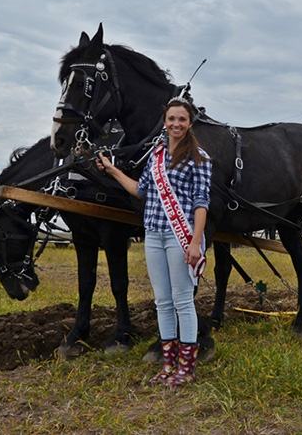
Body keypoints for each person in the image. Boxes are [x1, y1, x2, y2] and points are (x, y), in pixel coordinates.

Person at [96, 97, 212, 388]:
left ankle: (187, 367)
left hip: (180, 236)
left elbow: (201, 204)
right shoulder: (156, 156)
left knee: (182, 300)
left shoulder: (199, 157)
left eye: (181, 119)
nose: (176, 124)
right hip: (154, 234)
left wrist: (196, 242)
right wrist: (113, 171)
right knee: (162, 301)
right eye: (171, 119)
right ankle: (168, 364)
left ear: (189, 123)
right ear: (165, 121)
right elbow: (141, 190)